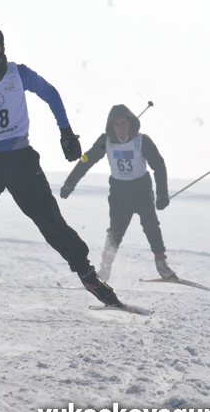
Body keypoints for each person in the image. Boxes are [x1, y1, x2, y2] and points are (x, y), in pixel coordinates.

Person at [0, 24, 124, 312]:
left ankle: (88, 275)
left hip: (20, 159)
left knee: (49, 220)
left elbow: (51, 93)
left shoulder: (18, 74)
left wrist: (67, 133)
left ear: (3, 48)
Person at [60, 104, 176, 282]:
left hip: (142, 191)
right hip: (119, 194)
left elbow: (158, 165)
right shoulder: (105, 141)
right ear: (111, 127)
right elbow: (86, 161)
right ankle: (105, 268)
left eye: (123, 124)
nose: (121, 128)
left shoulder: (142, 140)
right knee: (115, 232)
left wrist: (162, 194)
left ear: (130, 123)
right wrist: (69, 184)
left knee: (151, 225)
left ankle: (161, 263)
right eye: (117, 125)